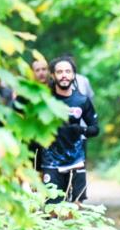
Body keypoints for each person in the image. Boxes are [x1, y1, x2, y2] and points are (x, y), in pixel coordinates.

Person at [38, 56, 99, 204]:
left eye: (67, 71)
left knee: (76, 207)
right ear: (53, 75)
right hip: (50, 163)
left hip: (76, 161)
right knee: (51, 210)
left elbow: (95, 129)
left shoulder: (82, 100)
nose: (64, 75)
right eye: (59, 72)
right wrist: (35, 167)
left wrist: (80, 130)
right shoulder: (45, 100)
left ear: (73, 74)